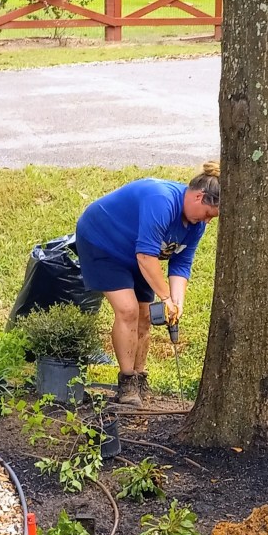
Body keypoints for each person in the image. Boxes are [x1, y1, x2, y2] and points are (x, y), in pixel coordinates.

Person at [75, 162, 220, 407]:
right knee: (128, 310)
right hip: (103, 242)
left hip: (139, 253)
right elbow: (145, 256)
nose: (207, 222)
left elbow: (181, 263)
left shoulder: (195, 226)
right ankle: (127, 383)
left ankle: (140, 377)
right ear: (199, 196)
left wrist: (176, 302)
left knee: (145, 316)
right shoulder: (161, 200)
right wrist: (165, 298)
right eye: (208, 214)